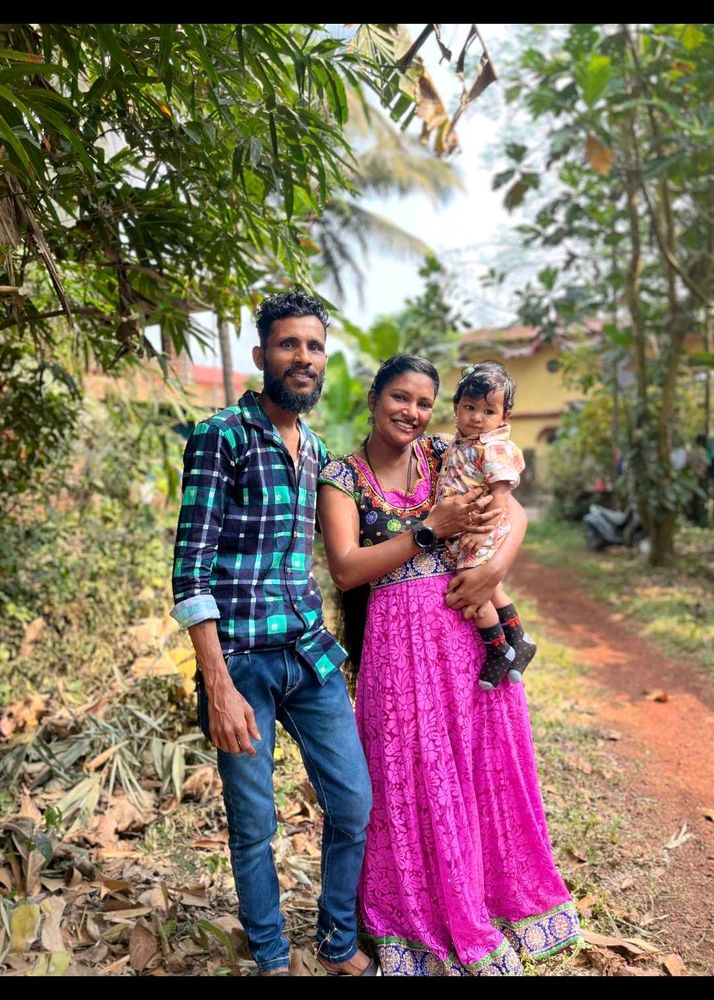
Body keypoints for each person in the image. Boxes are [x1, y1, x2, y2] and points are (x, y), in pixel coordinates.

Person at [318, 354, 580, 977]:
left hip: (463, 633)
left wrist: (494, 569)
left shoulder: (445, 452)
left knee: (479, 765)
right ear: (374, 396)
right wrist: (429, 531)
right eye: (399, 398)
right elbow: (347, 568)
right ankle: (418, 915)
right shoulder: (340, 478)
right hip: (396, 645)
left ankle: (490, 900)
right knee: (411, 776)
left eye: (423, 402)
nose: (411, 412)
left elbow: (510, 513)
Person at [170, 291, 380, 976]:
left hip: (308, 654)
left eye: (314, 347)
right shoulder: (221, 436)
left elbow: (352, 545)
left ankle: (336, 940)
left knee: (353, 803)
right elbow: (190, 571)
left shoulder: (317, 450)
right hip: (242, 664)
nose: (303, 358)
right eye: (289, 345)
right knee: (254, 826)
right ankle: (270, 956)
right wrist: (217, 684)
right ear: (262, 356)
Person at [436, 361, 537, 690]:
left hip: (481, 531)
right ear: (456, 407)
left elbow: (501, 492)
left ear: (504, 417)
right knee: (492, 589)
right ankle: (519, 639)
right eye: (469, 407)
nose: (477, 418)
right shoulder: (461, 444)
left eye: (488, 411)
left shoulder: (490, 448)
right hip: (473, 529)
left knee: (473, 594)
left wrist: (485, 529)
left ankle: (499, 650)